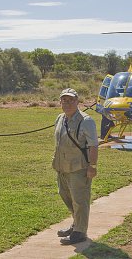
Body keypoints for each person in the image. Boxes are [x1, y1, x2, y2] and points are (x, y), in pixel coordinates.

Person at [52, 88, 99, 245]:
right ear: (60, 102)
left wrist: (92, 166)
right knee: (66, 196)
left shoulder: (86, 121)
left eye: (71, 100)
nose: (67, 103)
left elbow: (93, 145)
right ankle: (76, 224)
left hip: (78, 168)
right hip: (62, 167)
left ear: (77, 102)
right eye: (64, 100)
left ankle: (80, 232)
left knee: (80, 200)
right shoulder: (60, 118)